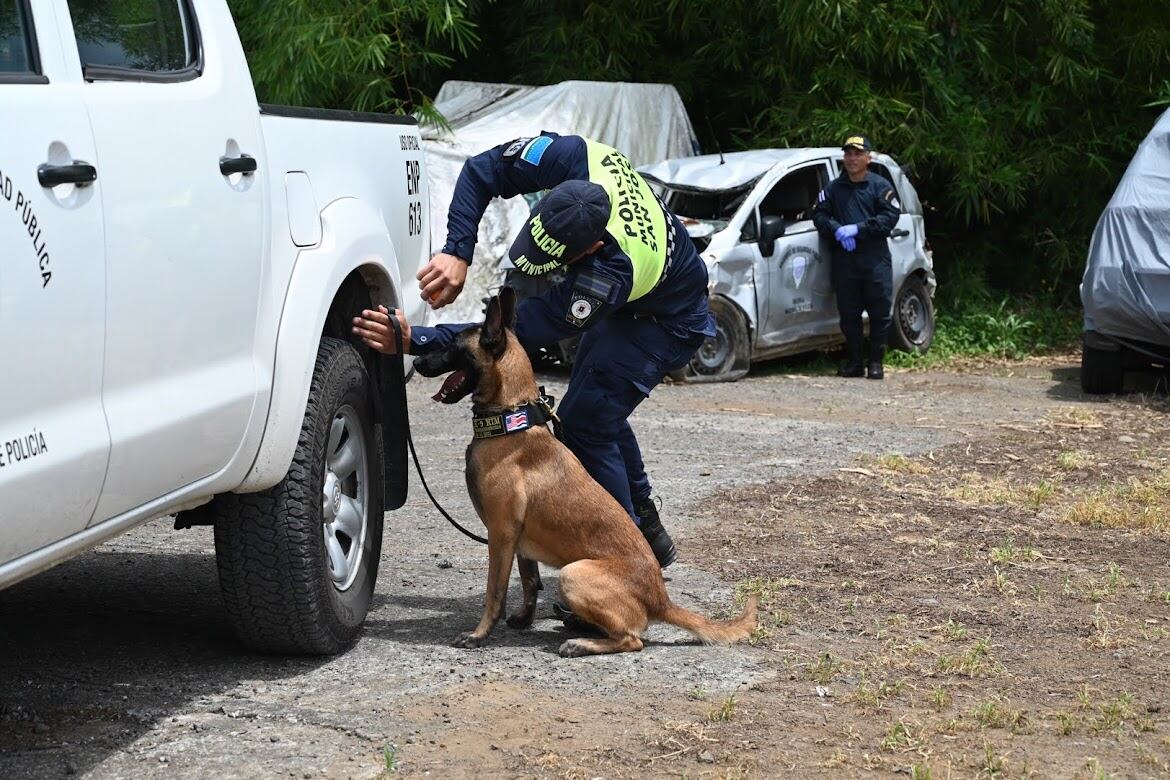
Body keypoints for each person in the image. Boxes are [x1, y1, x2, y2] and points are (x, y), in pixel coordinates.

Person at [353, 132, 716, 569]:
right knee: (594, 406)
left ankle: (622, 564)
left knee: (588, 422)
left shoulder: (605, 277)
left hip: (667, 319)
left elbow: (508, 333)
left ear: (590, 249)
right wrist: (457, 250)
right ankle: (646, 532)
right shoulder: (570, 156)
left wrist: (417, 341)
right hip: (640, 294)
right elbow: (480, 169)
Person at [812, 135, 901, 379]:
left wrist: (859, 229)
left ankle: (876, 363)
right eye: (848, 154)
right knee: (849, 313)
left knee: (879, 312)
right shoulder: (833, 188)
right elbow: (818, 214)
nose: (852, 159)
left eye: (857, 154)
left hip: (874, 260)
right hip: (845, 260)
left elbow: (889, 218)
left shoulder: (879, 186)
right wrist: (836, 230)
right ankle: (855, 362)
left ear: (868, 159)